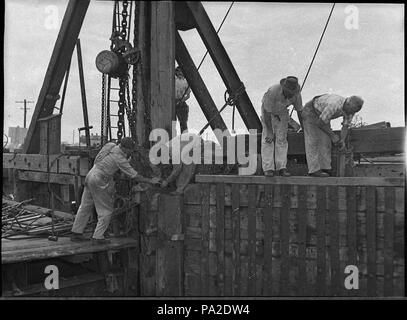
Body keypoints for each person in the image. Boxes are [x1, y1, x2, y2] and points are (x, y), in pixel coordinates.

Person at [71, 137, 159, 244]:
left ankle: (76, 233)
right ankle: (98, 237)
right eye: (130, 149)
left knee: (85, 206)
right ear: (125, 149)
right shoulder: (120, 159)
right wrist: (151, 180)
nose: (131, 151)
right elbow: (135, 176)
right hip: (99, 179)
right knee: (106, 211)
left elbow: (99, 159)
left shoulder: (110, 145)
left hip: (91, 174)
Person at [301, 94, 364, 177]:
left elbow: (345, 126)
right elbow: (320, 123)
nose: (351, 113)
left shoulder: (351, 110)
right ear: (347, 103)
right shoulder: (334, 104)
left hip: (323, 115)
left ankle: (325, 168)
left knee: (326, 141)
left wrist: (342, 140)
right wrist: (333, 136)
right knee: (313, 141)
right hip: (310, 111)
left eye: (354, 112)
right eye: (351, 110)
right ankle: (313, 170)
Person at [261, 76, 303, 177]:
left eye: (292, 93)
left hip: (282, 113)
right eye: (289, 92)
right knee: (268, 139)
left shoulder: (297, 95)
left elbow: (300, 111)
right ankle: (268, 168)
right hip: (269, 113)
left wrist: (304, 128)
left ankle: (281, 167)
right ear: (284, 88)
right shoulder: (272, 91)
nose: (290, 95)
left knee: (282, 140)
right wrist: (270, 132)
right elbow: (266, 113)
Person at [175, 66, 191, 134]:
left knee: (183, 123)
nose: (180, 74)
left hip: (180, 103)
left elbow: (188, 95)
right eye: (178, 72)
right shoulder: (175, 81)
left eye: (181, 72)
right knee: (175, 123)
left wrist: (182, 100)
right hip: (175, 102)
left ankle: (184, 137)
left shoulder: (185, 83)